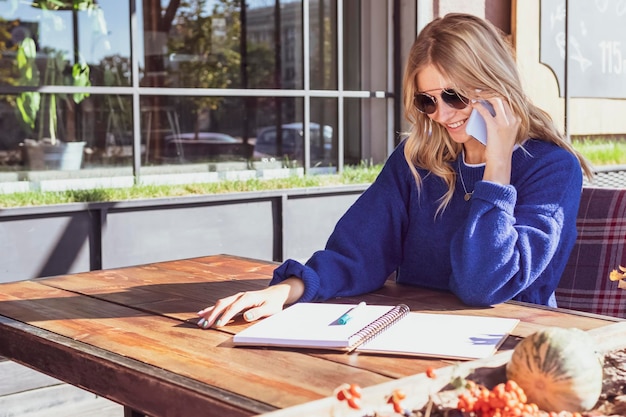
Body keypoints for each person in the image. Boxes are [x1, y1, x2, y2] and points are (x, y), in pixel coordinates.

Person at [196, 13, 593, 329]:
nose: (443, 115)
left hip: (510, 347)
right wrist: (289, 289)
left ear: (493, 84)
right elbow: (358, 251)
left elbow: (482, 285)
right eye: (428, 101)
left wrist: (498, 161)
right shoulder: (417, 161)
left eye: (454, 96)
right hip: (409, 337)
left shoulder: (552, 168)